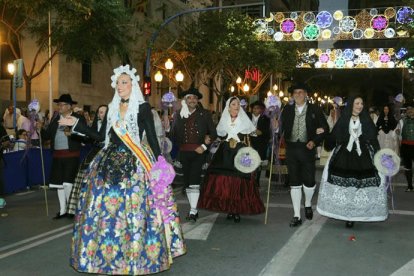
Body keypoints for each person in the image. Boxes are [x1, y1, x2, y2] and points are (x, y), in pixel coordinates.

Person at [59, 65, 185, 275]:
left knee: (137, 208)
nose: (120, 86)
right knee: (101, 207)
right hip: (108, 159)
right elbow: (100, 137)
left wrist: (158, 164)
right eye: (118, 83)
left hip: (136, 161)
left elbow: (152, 138)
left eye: (124, 82)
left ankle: (137, 255)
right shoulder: (111, 108)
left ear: (132, 85)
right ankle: (102, 255)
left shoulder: (143, 108)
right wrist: (76, 124)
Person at [317, 96, 387, 228]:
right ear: (351, 105)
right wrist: (325, 133)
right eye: (357, 103)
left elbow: (373, 140)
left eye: (361, 103)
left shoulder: (366, 120)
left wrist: (380, 157)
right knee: (347, 186)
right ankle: (347, 216)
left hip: (364, 156)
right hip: (344, 156)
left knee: (361, 186)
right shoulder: (344, 119)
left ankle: (359, 214)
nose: (360, 106)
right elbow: (333, 139)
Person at [198, 97, 265, 223]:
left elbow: (254, 133)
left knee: (239, 181)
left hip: (239, 151)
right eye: (233, 104)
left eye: (238, 104)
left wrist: (273, 126)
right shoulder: (223, 121)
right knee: (225, 180)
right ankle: (229, 208)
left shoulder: (245, 120)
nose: (236, 106)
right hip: (225, 152)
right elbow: (218, 134)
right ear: (228, 107)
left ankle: (236, 209)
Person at [280, 83, 328, 227]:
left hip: (307, 148)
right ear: (293, 95)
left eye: (301, 92)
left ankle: (307, 203)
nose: (298, 95)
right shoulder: (286, 110)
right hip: (292, 148)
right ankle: (296, 215)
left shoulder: (315, 110)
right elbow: (280, 128)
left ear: (306, 94)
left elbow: (325, 128)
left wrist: (314, 141)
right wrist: (275, 126)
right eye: (296, 92)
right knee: (294, 182)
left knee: (309, 181)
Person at [170, 87, 217, 222]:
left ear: (197, 101)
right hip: (183, 153)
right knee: (188, 183)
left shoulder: (205, 114)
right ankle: (193, 209)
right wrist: (169, 126)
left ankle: (193, 210)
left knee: (195, 181)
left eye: (195, 98)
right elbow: (174, 135)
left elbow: (213, 134)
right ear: (185, 100)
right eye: (189, 98)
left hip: (198, 152)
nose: (192, 100)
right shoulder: (178, 114)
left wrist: (204, 146)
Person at [40, 94, 85, 219]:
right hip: (57, 155)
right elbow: (47, 136)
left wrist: (72, 134)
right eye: (58, 104)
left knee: (68, 183)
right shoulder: (56, 119)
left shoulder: (77, 118)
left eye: (62, 104)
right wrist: (41, 127)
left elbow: (84, 135)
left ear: (70, 106)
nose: (59, 106)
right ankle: (63, 210)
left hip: (71, 154)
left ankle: (71, 209)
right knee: (58, 184)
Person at [66, 104, 108, 217]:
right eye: (99, 112)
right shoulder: (96, 124)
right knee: (83, 170)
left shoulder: (112, 124)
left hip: (107, 151)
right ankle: (79, 206)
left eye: (103, 111)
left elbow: (101, 137)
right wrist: (75, 134)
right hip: (95, 151)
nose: (101, 114)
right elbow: (89, 138)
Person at [249, 101, 270, 186]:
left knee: (258, 162)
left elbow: (267, 132)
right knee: (249, 161)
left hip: (260, 143)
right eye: (254, 108)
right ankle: (250, 179)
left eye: (257, 108)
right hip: (250, 142)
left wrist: (261, 132)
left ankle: (257, 179)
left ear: (261, 110)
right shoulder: (248, 117)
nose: (255, 110)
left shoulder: (265, 119)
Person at [400, 106, 414, 192]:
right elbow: (398, 132)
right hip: (405, 146)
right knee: (408, 167)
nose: (410, 111)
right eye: (408, 110)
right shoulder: (402, 121)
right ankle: (410, 186)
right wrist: (397, 132)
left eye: (412, 110)